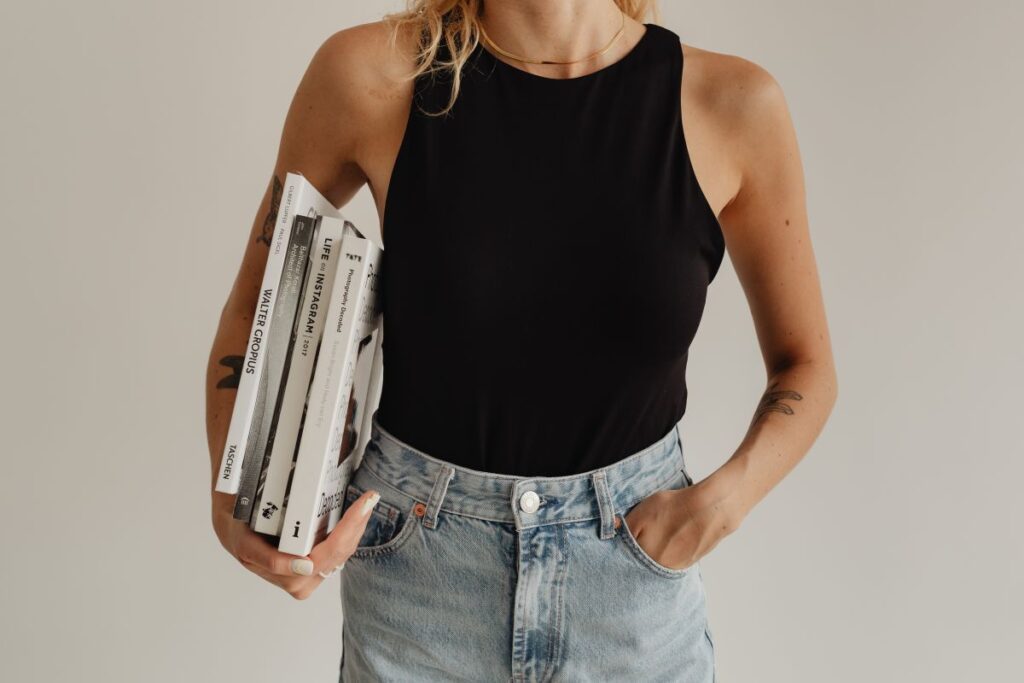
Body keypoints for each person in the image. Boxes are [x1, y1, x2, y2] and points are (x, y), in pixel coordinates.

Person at [207, 1, 838, 680]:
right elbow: (257, 302)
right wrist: (234, 499)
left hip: (632, 598)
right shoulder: (372, 76)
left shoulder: (730, 105)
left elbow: (806, 365)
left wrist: (725, 500)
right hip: (420, 591)